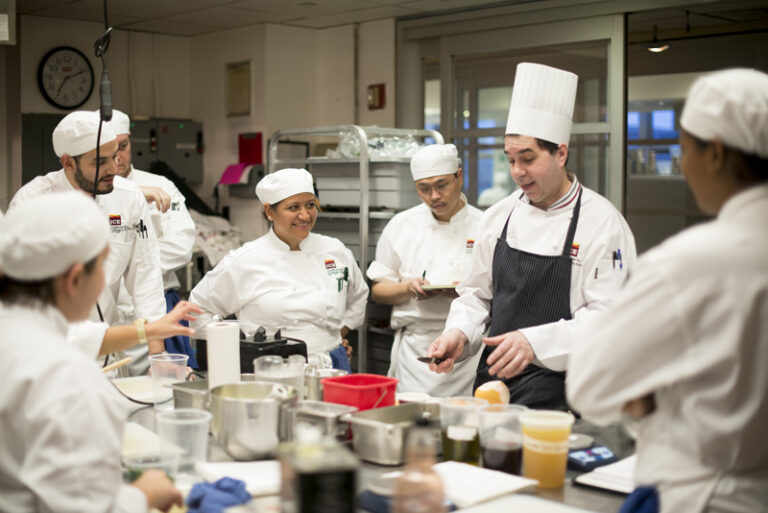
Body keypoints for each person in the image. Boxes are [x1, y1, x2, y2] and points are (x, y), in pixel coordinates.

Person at [567, 69, 768, 513]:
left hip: (704, 497)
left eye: (684, 149)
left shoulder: (691, 262)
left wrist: (654, 394)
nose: (682, 164)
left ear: (716, 152)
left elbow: (590, 385)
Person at [428, 63, 636, 410]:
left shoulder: (602, 224)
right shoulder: (499, 216)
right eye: (510, 160)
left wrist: (535, 342)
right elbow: (477, 295)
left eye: (528, 158)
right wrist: (458, 333)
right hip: (494, 391)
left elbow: (612, 319)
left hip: (567, 399)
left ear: (561, 153)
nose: (517, 172)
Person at [0, 191, 183, 513]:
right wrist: (144, 494)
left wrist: (149, 330)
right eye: (101, 267)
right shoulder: (67, 378)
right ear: (73, 280)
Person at [9, 111, 167, 375]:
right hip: (46, 359)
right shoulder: (32, 203)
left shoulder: (128, 197)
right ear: (68, 162)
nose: (113, 168)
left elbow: (146, 276)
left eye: (115, 156)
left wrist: (159, 360)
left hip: (108, 358)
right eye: (100, 162)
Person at [189, 168, 368, 370]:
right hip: (272, 371)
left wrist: (336, 337)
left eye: (310, 205)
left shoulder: (335, 250)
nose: (305, 215)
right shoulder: (246, 260)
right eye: (293, 207)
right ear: (269, 212)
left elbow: (359, 295)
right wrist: (240, 349)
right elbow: (197, 310)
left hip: (332, 368)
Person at [367, 144, 482, 395]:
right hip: (416, 352)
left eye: (442, 185)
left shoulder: (485, 225)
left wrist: (463, 292)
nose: (434, 196)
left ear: (459, 177)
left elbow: (499, 291)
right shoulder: (401, 225)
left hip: (468, 350)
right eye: (424, 188)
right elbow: (379, 291)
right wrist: (408, 288)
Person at [106, 109, 198, 366]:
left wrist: (134, 264)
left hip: (156, 306)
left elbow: (181, 245)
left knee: (164, 378)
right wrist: (132, 193)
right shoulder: (90, 195)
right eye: (109, 150)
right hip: (107, 311)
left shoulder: (162, 185)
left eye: (123, 146)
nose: (117, 156)